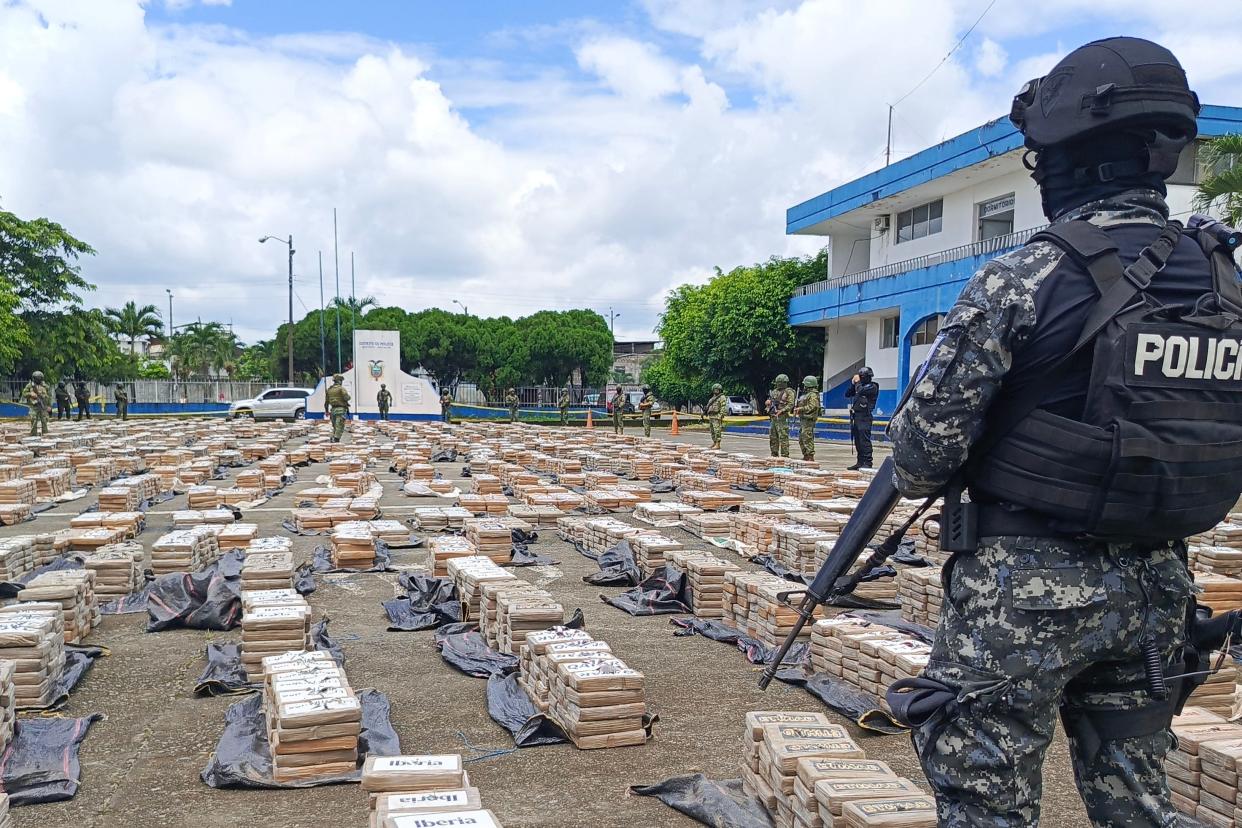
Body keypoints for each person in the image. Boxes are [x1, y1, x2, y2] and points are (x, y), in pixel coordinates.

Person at [886, 38, 1231, 828]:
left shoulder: (1029, 274)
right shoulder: (1224, 279)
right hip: (1158, 590)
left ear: (1065, 156)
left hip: (1022, 598)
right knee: (1140, 805)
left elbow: (917, 458)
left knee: (987, 805)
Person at [844, 367, 877, 470]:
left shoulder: (873, 386)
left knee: (864, 441)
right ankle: (860, 462)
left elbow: (861, 391)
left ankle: (867, 462)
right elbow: (848, 394)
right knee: (857, 440)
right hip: (856, 416)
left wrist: (857, 382)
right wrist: (853, 384)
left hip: (865, 417)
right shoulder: (859, 386)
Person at [765, 374, 794, 458]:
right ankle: (774, 454)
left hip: (782, 417)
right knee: (773, 437)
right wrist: (768, 403)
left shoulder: (789, 392)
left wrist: (782, 410)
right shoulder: (774, 391)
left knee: (783, 437)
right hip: (773, 417)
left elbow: (790, 404)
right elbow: (770, 402)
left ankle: (785, 455)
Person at [793, 376, 820, 461]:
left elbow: (812, 406)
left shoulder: (813, 395)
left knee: (807, 438)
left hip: (809, 420)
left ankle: (810, 456)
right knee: (802, 438)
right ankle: (805, 455)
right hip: (804, 419)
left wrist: (800, 409)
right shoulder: (807, 395)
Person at [21, 371, 50, 437]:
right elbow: (24, 393)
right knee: (34, 420)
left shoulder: (45, 386)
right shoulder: (30, 385)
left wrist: (49, 405)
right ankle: (33, 435)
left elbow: (49, 396)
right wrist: (30, 394)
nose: (38, 380)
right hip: (34, 406)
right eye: (37, 378)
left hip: (43, 405)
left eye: (39, 378)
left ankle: (46, 435)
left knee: (44, 421)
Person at [325, 374, 351, 443]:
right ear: (339, 381)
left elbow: (326, 402)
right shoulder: (341, 389)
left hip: (333, 410)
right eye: (341, 381)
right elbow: (347, 398)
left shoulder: (329, 389)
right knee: (340, 426)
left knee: (335, 426)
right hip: (340, 410)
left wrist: (326, 411)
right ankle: (336, 440)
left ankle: (334, 438)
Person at [703, 383, 725, 449]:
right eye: (715, 389)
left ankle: (718, 444)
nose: (716, 391)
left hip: (717, 416)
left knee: (717, 430)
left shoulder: (722, 397)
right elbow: (708, 407)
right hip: (711, 416)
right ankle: (714, 442)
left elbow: (723, 407)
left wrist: (720, 415)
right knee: (712, 431)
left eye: (717, 389)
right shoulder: (712, 399)